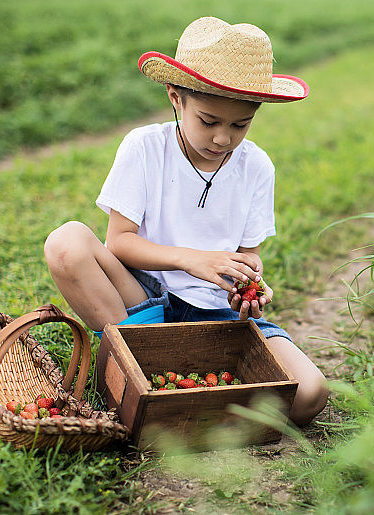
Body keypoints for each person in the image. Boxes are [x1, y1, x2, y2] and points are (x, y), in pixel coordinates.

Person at [43, 16, 328, 426]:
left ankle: (170, 395)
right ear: (176, 97)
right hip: (142, 298)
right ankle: (133, 358)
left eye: (240, 125)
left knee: (309, 395)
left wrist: (247, 288)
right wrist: (191, 259)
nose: (222, 139)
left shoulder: (257, 167)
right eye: (209, 121)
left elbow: (249, 257)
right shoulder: (145, 147)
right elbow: (119, 243)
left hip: (216, 313)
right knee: (66, 242)